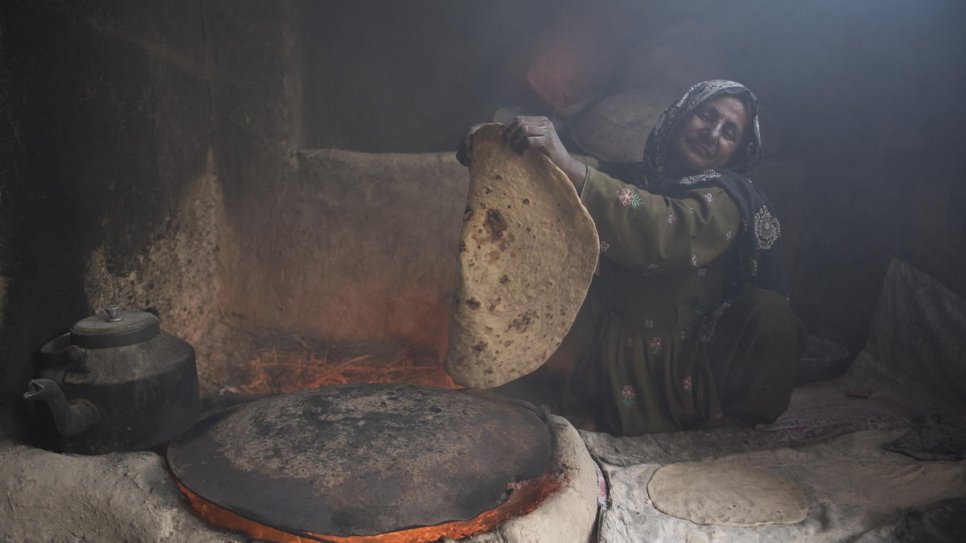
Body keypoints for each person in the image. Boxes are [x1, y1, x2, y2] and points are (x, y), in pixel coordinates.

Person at [457, 80, 806, 435]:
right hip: (610, 361)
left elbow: (661, 227)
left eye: (729, 132)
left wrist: (570, 166)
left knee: (770, 313)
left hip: (694, 369)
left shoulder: (726, 200)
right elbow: (566, 185)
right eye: (706, 115)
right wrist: (496, 145)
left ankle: (733, 431)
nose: (712, 133)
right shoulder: (629, 179)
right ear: (681, 116)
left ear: (735, 153)